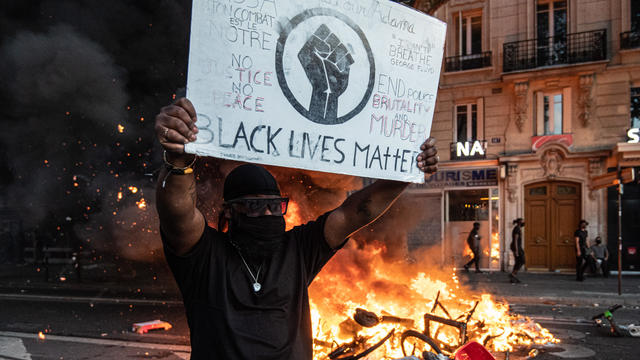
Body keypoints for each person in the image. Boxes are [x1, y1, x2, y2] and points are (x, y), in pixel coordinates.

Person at [154, 98, 439, 359]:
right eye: (254, 206)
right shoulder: (205, 255)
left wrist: (406, 172)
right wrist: (178, 160)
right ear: (229, 212)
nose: (266, 213)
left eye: (274, 206)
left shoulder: (297, 250)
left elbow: (359, 211)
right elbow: (177, 211)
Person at [509, 218, 525, 283]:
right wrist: (516, 250)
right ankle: (513, 274)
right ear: (519, 222)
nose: (524, 223)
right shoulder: (517, 229)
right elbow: (515, 240)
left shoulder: (518, 228)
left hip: (518, 247)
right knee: (521, 260)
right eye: (523, 221)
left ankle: (513, 275)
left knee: (519, 261)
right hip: (516, 247)